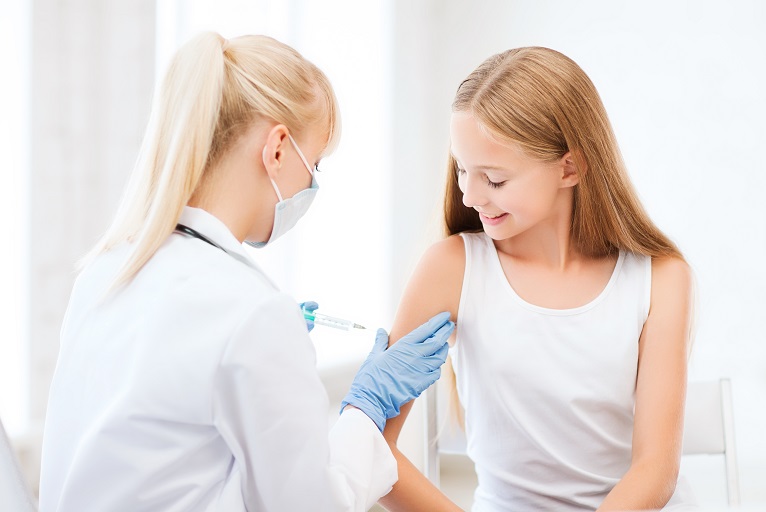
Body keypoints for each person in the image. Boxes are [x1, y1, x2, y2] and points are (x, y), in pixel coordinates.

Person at [38, 32, 454, 512]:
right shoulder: (251, 311)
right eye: (314, 165)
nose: (312, 185)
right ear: (277, 149)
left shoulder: (105, 271)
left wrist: (263, 352)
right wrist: (367, 406)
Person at [379, 47, 696, 511]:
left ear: (570, 167)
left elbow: (656, 471)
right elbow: (372, 448)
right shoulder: (451, 268)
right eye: (462, 169)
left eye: (495, 179)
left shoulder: (662, 279)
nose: (469, 194)